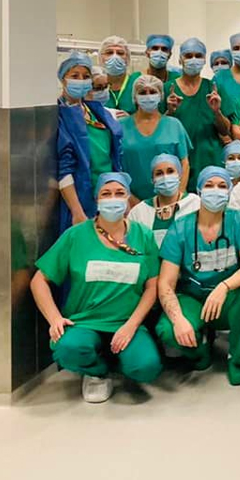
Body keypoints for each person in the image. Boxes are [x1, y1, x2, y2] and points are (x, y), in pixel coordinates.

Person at [30, 172, 162, 403]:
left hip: (126, 323)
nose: (113, 199)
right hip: (84, 322)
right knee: (68, 349)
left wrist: (131, 326)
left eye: (119, 193)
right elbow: (39, 280)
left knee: (146, 367)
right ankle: (97, 371)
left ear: (128, 198)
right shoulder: (76, 236)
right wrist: (54, 318)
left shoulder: (144, 236)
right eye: (106, 194)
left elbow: (152, 287)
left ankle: (118, 359)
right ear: (97, 199)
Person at [156, 166, 240, 386]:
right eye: (209, 185)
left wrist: (224, 287)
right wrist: (178, 320)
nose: (216, 190)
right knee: (168, 330)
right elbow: (166, 282)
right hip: (193, 298)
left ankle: (237, 358)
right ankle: (199, 350)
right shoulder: (180, 228)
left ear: (229, 191)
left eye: (222, 186)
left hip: (228, 298)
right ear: (199, 191)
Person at [56, 52, 124, 235]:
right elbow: (64, 169)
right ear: (63, 79)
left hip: (108, 195)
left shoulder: (96, 111)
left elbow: (114, 155)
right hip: (82, 197)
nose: (81, 80)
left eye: (86, 76)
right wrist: (77, 211)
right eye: (74, 76)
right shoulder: (61, 116)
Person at [165, 38, 231, 194]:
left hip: (209, 159)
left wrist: (217, 111)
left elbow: (225, 130)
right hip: (179, 160)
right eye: (188, 56)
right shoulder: (168, 89)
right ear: (180, 59)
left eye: (198, 56)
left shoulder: (213, 88)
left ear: (204, 60)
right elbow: (159, 129)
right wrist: (170, 111)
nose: (193, 60)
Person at [119, 74, 192, 204]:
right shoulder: (121, 126)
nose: (148, 96)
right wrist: (131, 200)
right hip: (132, 201)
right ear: (134, 97)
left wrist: (177, 198)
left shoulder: (174, 125)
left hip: (171, 198)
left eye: (153, 92)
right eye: (143, 92)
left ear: (160, 96)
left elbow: (185, 164)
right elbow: (116, 167)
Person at [128, 154, 201, 247]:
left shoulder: (195, 204)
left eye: (170, 171)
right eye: (159, 174)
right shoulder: (139, 212)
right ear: (152, 180)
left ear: (179, 175)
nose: (165, 177)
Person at [99, 36, 137, 114]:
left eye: (120, 53)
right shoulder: (95, 87)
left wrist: (131, 119)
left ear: (128, 58)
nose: (115, 57)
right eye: (109, 52)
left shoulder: (137, 83)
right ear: (100, 58)